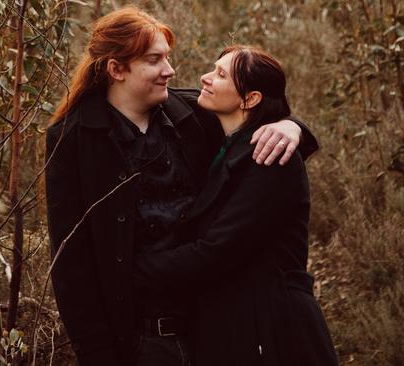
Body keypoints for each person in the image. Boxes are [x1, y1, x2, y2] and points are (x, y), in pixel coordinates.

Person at [45, 7, 318, 366]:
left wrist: (292, 126)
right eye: (155, 60)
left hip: (218, 330)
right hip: (143, 340)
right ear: (117, 69)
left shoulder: (190, 114)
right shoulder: (74, 139)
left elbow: (255, 111)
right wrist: (97, 355)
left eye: (168, 57)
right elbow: (71, 264)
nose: (170, 70)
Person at [134, 45, 339, 365]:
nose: (205, 77)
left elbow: (217, 250)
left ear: (250, 99)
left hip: (273, 332)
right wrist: (294, 124)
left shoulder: (269, 158)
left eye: (220, 74)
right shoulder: (223, 141)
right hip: (237, 327)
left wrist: (137, 271)